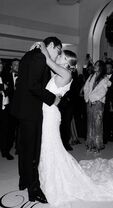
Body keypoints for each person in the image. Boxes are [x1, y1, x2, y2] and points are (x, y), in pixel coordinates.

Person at [33, 43, 113, 207]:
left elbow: (49, 62)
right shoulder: (60, 71)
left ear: (66, 60)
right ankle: (48, 176)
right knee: (48, 145)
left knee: (50, 145)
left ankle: (54, 180)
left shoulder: (65, 73)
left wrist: (44, 49)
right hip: (48, 113)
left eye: (61, 55)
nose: (58, 56)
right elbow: (48, 67)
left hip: (51, 115)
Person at [11, 37, 62, 204]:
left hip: (22, 110)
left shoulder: (28, 55)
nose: (57, 54)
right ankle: (34, 190)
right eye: (57, 51)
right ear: (51, 46)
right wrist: (52, 98)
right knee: (32, 152)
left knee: (23, 148)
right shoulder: (40, 57)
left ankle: (23, 180)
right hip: (31, 111)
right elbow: (33, 85)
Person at [83, 60, 111, 153]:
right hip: (89, 102)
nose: (95, 66)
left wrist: (93, 98)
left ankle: (98, 145)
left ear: (101, 67)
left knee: (97, 125)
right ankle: (90, 144)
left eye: (97, 65)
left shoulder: (104, 78)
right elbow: (86, 88)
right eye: (95, 65)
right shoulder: (91, 76)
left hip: (98, 103)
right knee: (89, 124)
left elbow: (102, 92)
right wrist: (87, 98)